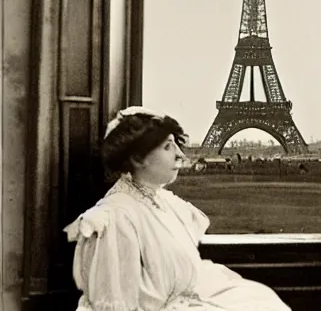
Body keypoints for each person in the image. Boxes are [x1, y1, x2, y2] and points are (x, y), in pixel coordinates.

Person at [64, 106, 291, 311]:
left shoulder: (166, 203)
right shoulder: (116, 216)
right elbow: (115, 303)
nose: (180, 155)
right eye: (167, 147)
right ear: (137, 158)